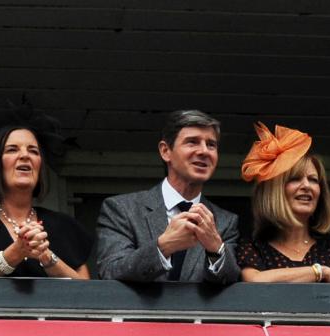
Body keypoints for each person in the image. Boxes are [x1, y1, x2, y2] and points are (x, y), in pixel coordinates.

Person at [93, 110, 239, 283]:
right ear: (165, 151)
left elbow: (232, 282)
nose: (204, 151)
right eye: (192, 142)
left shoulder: (224, 221)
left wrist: (215, 248)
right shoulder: (122, 209)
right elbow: (110, 272)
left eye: (211, 145)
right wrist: (163, 247)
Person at [0, 121, 90, 279]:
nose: (25, 155)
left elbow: (87, 293)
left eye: (33, 151)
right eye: (12, 149)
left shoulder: (65, 227)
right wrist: (12, 255)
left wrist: (47, 257)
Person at [235, 124, 330, 284]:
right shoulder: (253, 249)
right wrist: (320, 271)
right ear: (273, 192)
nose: (306, 186)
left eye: (313, 180)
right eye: (295, 179)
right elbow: (255, 281)